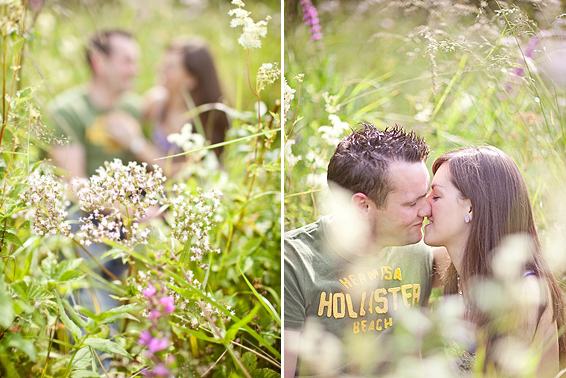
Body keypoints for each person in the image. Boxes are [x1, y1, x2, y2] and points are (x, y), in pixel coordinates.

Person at [284, 124, 435, 377]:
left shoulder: (419, 252)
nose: (426, 210)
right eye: (412, 203)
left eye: (427, 196)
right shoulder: (294, 262)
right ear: (363, 206)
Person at [424, 146, 565, 376]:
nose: (424, 205)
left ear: (470, 207)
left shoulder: (523, 296)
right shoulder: (449, 263)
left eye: (436, 196)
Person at [49, 29, 163, 178]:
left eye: (135, 62)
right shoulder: (68, 112)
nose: (135, 70)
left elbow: (165, 168)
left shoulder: (135, 108)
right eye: (127, 62)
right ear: (99, 63)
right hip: (90, 200)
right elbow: (74, 185)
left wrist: (136, 143)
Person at [143, 37, 229, 159]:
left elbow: (188, 170)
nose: (160, 69)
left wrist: (138, 145)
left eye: (170, 67)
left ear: (191, 79)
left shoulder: (206, 120)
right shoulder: (155, 102)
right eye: (163, 63)